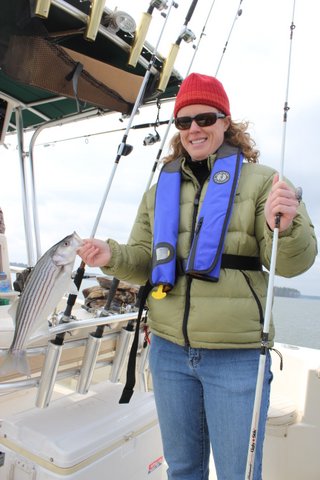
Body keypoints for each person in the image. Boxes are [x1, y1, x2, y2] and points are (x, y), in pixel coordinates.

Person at [77, 73, 317, 480]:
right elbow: (142, 261)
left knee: (237, 472)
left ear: (225, 121)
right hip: (169, 351)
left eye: (204, 118)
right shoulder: (160, 190)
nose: (194, 129)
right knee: (183, 468)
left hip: (236, 357)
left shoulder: (267, 183)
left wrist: (288, 225)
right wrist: (110, 256)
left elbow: (293, 264)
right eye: (183, 122)